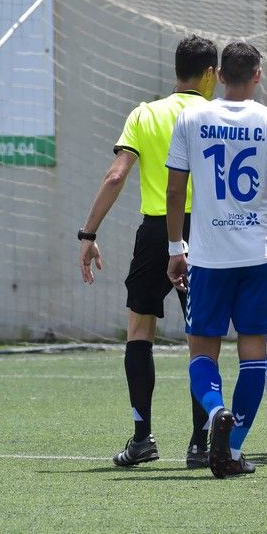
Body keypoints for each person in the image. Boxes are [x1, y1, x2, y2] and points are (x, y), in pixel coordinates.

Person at [165, 41, 267, 478]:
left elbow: (174, 191)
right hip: (259, 255)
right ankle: (233, 449)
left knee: (201, 354)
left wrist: (176, 249)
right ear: (260, 76)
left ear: (220, 75)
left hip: (209, 256)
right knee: (253, 357)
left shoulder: (191, 117)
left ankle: (214, 413)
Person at [78, 35, 217, 469]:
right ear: (211, 73)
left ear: (177, 71)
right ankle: (200, 442)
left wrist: (88, 233)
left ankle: (142, 438)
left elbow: (116, 174)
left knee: (139, 329)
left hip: (156, 233)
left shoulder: (144, 113)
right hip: (208, 233)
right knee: (203, 339)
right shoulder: (216, 114)